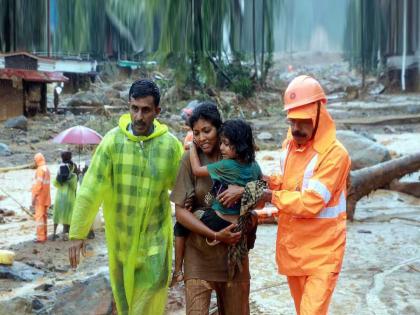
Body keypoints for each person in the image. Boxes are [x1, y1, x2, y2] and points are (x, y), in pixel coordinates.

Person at [67, 79, 183, 315]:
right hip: (121, 243)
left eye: (146, 110)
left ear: (157, 111)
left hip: (155, 243)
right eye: (134, 108)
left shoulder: (170, 147)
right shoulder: (112, 143)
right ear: (128, 106)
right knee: (125, 305)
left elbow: (185, 190)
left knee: (145, 305)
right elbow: (91, 187)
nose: (139, 116)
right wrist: (78, 232)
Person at [260, 75, 351, 315]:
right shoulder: (291, 143)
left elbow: (311, 202)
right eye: (292, 122)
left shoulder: (335, 154)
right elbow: (289, 182)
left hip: (323, 254)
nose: (296, 129)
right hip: (294, 250)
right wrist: (267, 181)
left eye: (303, 122)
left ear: (319, 115)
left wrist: (270, 195)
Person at [171, 102, 253, 315]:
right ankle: (177, 268)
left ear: (220, 128)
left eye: (207, 130)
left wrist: (242, 191)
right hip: (198, 255)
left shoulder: (240, 158)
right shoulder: (190, 160)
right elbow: (180, 212)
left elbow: (263, 193)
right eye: (196, 132)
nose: (201, 138)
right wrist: (215, 234)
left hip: (233, 258)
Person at [52, 151, 78, 241]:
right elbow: (76, 177)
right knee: (68, 213)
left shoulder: (61, 166)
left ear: (62, 158)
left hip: (62, 192)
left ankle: (54, 233)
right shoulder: (73, 166)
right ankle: (65, 233)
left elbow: (59, 180)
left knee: (58, 212)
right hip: (70, 193)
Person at [31, 153, 51, 243]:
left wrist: (34, 197)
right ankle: (44, 235)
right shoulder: (46, 169)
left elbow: (38, 185)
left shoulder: (39, 170)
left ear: (37, 160)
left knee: (39, 218)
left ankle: (41, 237)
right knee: (44, 217)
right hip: (46, 196)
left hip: (40, 198)